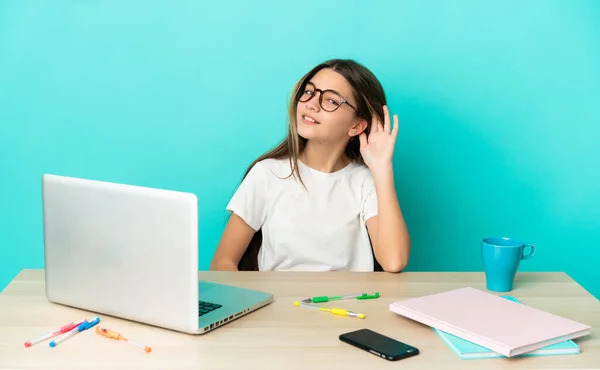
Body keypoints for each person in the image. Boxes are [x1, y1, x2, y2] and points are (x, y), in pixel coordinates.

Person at [209, 58, 410, 273]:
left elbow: (394, 261)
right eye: (309, 92)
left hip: (344, 305)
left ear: (357, 125)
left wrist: (382, 169)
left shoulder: (364, 182)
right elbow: (223, 263)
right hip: (279, 304)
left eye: (331, 101)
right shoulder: (267, 174)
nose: (311, 104)